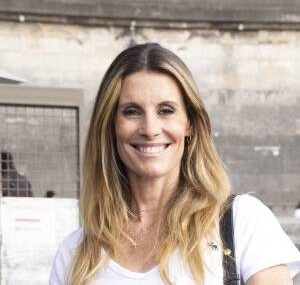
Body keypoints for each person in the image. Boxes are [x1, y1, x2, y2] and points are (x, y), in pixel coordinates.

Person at [49, 43, 300, 285]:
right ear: (111, 126)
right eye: (132, 111)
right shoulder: (74, 254)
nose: (150, 129)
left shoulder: (242, 222)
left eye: (166, 110)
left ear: (189, 124)